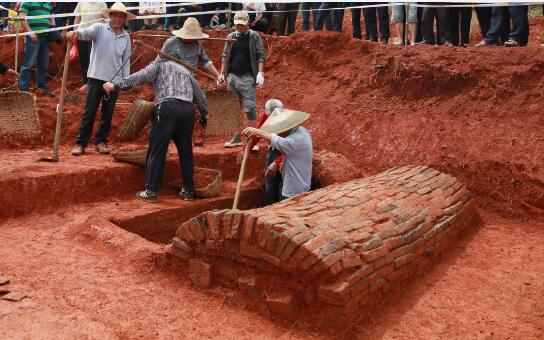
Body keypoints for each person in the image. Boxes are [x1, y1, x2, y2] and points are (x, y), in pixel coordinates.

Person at [102, 59, 208, 203]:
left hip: (167, 107)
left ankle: (151, 190)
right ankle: (188, 190)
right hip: (187, 110)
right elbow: (199, 95)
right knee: (186, 151)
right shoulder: (186, 69)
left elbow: (141, 75)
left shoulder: (159, 63)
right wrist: (203, 115)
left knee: (157, 149)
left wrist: (116, 85)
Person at [67, 2, 134, 156]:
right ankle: (81, 143)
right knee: (89, 111)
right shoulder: (99, 28)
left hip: (114, 81)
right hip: (96, 77)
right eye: (115, 15)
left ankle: (100, 142)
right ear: (110, 16)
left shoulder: (126, 37)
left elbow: (126, 60)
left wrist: (125, 81)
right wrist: (75, 32)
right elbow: (85, 33)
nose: (117, 19)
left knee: (107, 113)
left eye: (121, 16)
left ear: (124, 19)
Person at [241, 108, 313, 201]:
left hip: (293, 191)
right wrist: (277, 162)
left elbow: (278, 141)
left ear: (287, 127)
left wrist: (257, 132)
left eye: (280, 129)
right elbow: (290, 150)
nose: (278, 132)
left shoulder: (294, 140)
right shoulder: (301, 131)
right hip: (302, 184)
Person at [219, 11, 266, 149]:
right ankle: (236, 136)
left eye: (242, 24)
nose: (239, 27)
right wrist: (222, 73)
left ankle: (251, 139)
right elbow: (225, 55)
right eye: (237, 24)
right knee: (233, 107)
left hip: (247, 77)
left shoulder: (254, 36)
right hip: (232, 76)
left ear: (247, 23)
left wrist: (260, 73)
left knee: (250, 108)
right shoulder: (230, 36)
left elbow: (260, 55)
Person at [237, 99, 284, 205]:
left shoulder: (289, 119)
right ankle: (269, 211)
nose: (271, 119)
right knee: (270, 184)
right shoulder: (266, 116)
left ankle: (282, 209)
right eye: (269, 116)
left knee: (284, 186)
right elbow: (258, 133)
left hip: (286, 153)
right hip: (273, 150)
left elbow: (292, 147)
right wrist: (245, 150)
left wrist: (278, 162)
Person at [18, 2, 56, 96]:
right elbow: (21, 17)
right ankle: (23, 90)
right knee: (28, 64)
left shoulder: (48, 4)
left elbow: (52, 19)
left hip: (46, 38)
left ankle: (41, 87)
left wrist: (54, 32)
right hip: (33, 37)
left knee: (43, 64)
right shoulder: (28, 2)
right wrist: (30, 32)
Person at [73, 2, 108, 94]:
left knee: (93, 60)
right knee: (84, 60)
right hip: (81, 35)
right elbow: (77, 19)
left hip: (95, 36)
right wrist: (75, 32)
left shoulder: (102, 3)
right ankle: (86, 83)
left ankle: (93, 84)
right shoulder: (81, 2)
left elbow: (106, 20)